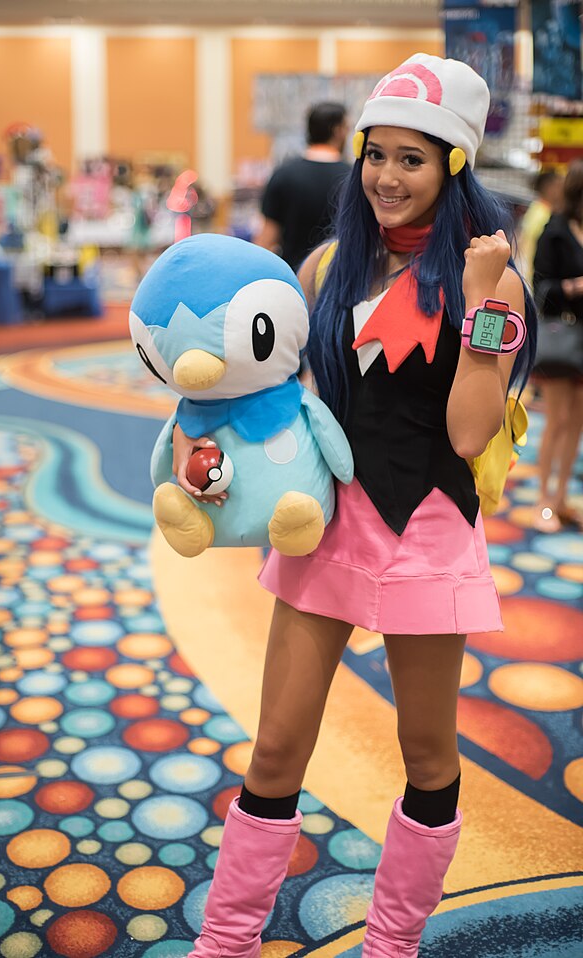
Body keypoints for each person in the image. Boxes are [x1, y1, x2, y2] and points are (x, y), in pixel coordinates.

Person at [171, 53, 536, 958]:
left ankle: (392, 944)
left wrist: (484, 304)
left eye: (413, 159)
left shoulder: (492, 282)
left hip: (428, 528)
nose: (387, 176)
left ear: (453, 165)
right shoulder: (329, 265)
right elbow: (275, 399)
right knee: (276, 749)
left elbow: (464, 433)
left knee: (426, 756)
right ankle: (226, 942)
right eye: (378, 155)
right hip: (328, 521)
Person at [532, 159, 583, 532]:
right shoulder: (555, 230)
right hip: (560, 335)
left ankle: (562, 497)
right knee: (556, 421)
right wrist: (573, 287)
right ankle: (543, 501)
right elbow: (540, 288)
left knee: (576, 424)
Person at [254, 101, 351, 272]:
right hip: (340, 279)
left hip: (292, 279)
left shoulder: (283, 174)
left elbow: (265, 241)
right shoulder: (353, 177)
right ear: (338, 131)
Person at [516, 169, 564, 286]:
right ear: (550, 188)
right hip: (537, 280)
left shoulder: (537, 209)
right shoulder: (543, 215)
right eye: (560, 185)